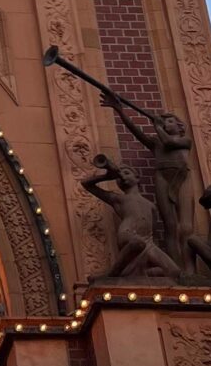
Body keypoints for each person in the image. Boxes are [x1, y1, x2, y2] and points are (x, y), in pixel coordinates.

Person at [101, 90, 193, 261]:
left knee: (186, 227)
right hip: (162, 176)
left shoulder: (184, 141)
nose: (165, 124)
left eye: (170, 121)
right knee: (170, 225)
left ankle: (189, 267)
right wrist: (120, 111)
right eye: (164, 122)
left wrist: (157, 126)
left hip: (181, 177)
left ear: (180, 126)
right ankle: (177, 265)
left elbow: (169, 142)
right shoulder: (156, 142)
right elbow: (135, 131)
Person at [82, 153, 181, 281]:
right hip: (128, 234)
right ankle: (111, 274)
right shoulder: (118, 199)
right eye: (119, 177)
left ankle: (134, 273)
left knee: (174, 271)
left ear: (137, 178)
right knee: (137, 243)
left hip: (148, 242)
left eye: (127, 173)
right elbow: (86, 184)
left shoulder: (150, 205)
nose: (122, 177)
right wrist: (107, 176)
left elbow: (154, 230)